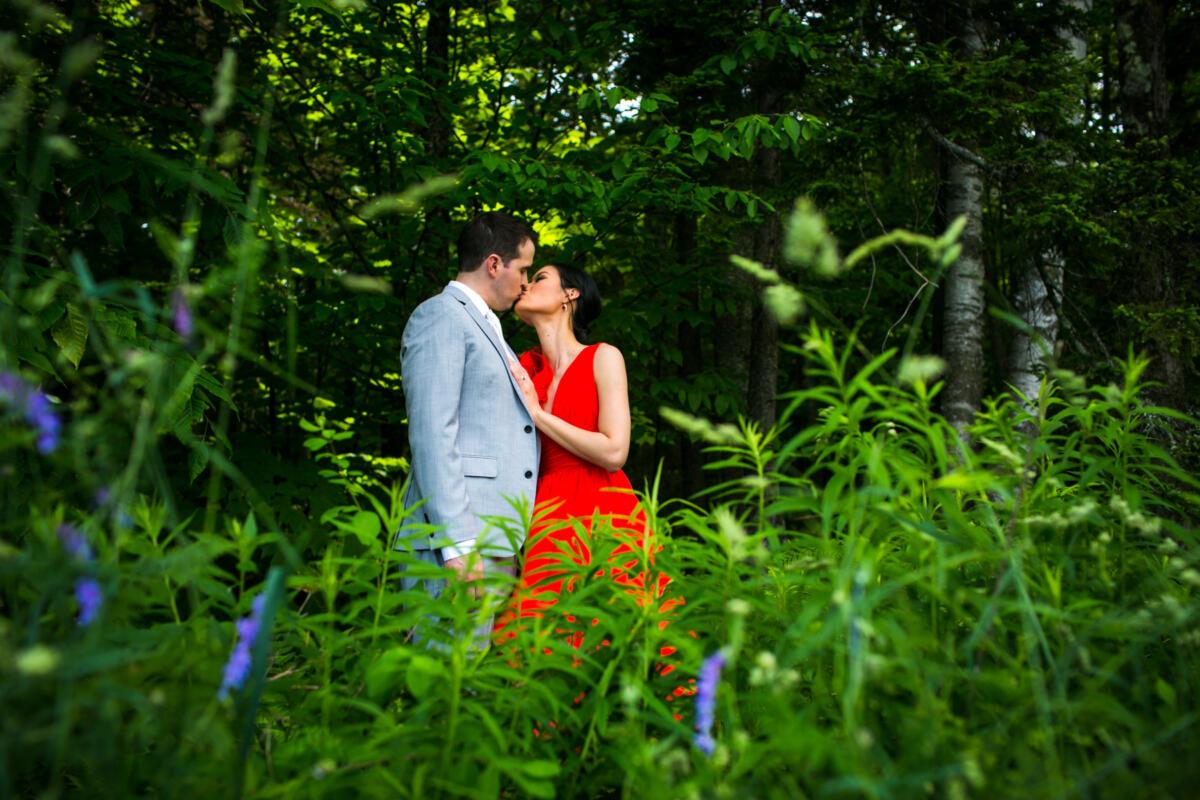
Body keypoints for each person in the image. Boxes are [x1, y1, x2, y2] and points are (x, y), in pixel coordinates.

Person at [492, 264, 684, 677]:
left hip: (605, 507)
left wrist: (539, 416)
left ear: (570, 294)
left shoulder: (603, 357)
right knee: (541, 642)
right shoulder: (522, 366)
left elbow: (615, 450)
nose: (526, 283)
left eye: (539, 277)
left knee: (625, 631)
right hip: (544, 510)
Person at [395, 211, 540, 645]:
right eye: (524, 269)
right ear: (494, 264)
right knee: (444, 683)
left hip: (492, 539)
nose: (526, 283)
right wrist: (457, 545)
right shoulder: (441, 316)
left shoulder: (486, 325)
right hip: (460, 540)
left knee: (469, 690)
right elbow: (432, 434)